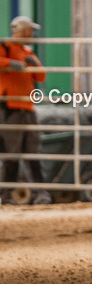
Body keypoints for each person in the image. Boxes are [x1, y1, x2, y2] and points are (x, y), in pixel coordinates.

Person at [0, 15, 50, 205]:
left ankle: (40, 192)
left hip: (27, 107)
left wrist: (34, 64)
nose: (32, 34)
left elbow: (41, 76)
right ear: (24, 30)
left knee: (32, 151)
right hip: (10, 107)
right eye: (30, 30)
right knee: (11, 153)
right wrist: (10, 63)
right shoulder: (5, 46)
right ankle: (6, 195)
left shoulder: (27, 52)